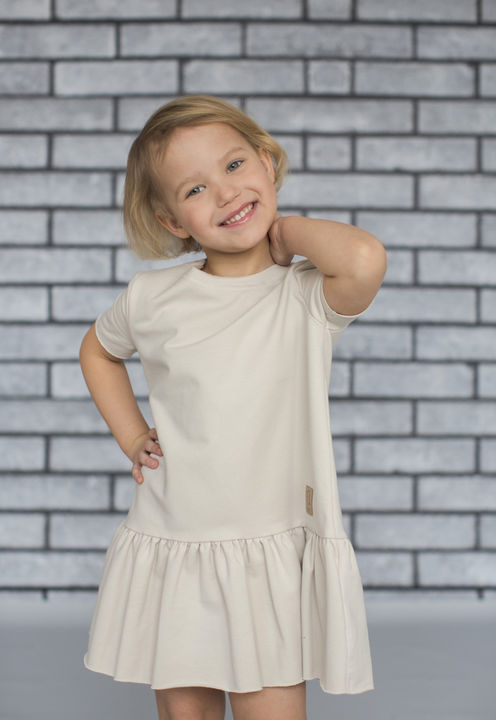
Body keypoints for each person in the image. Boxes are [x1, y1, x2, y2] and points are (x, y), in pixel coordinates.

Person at [79, 94, 387, 720]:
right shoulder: (153, 296)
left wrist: (284, 233)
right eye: (194, 189)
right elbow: (97, 351)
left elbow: (364, 258)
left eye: (236, 165)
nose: (225, 193)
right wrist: (133, 434)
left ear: (267, 163)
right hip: (176, 538)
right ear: (173, 222)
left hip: (265, 553)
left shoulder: (304, 295)